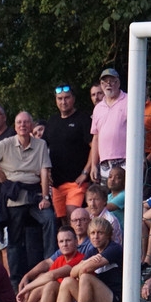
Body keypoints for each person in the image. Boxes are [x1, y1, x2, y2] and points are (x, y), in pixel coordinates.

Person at [0, 111, 56, 288]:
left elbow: (44, 171)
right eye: (19, 122)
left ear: (31, 126)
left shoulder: (41, 144)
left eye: (26, 122)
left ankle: (50, 264)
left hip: (35, 195)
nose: (23, 125)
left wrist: (46, 197)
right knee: (13, 241)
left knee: (49, 219)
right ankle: (14, 282)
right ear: (15, 126)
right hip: (14, 197)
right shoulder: (6, 144)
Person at [39, 217, 123, 302]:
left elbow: (85, 270)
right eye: (93, 233)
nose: (95, 236)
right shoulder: (93, 251)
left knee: (85, 277)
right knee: (67, 281)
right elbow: (73, 273)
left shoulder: (114, 248)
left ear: (108, 235)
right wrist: (87, 261)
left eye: (100, 233)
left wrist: (84, 264)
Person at [42, 82, 93, 224]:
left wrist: (85, 172)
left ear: (73, 99)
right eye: (60, 98)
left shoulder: (83, 119)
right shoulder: (52, 121)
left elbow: (94, 146)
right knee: (63, 221)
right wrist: (46, 173)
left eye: (67, 98)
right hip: (57, 183)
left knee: (74, 216)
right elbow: (42, 149)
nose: (63, 102)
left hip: (77, 182)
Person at [89, 68, 129, 182]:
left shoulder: (129, 100)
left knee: (126, 192)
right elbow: (95, 138)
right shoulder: (97, 108)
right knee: (106, 192)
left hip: (126, 160)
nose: (108, 84)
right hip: (105, 163)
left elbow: (140, 131)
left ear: (118, 83)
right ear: (101, 85)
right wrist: (93, 165)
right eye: (104, 82)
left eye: (111, 81)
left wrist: (140, 157)